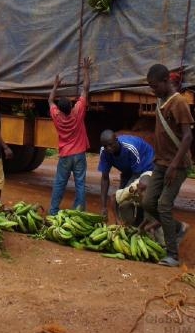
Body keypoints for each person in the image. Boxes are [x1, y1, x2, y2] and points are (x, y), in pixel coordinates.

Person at [142, 63, 194, 267]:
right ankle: (177, 227)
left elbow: (188, 137)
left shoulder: (179, 102)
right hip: (161, 163)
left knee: (164, 205)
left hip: (177, 165)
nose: (152, 90)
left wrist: (174, 165)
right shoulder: (161, 100)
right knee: (148, 202)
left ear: (166, 81)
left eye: (154, 86)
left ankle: (173, 254)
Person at [48, 57, 92, 215]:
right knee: (80, 184)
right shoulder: (78, 112)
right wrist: (86, 70)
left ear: (59, 109)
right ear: (71, 106)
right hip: (79, 154)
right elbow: (85, 88)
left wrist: (55, 85)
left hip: (65, 155)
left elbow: (50, 100)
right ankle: (78, 212)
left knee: (60, 183)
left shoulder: (56, 116)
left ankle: (53, 212)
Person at [98, 130, 154, 220]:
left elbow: (137, 175)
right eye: (105, 146)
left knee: (133, 194)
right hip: (129, 169)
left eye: (110, 144)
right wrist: (103, 207)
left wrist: (123, 193)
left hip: (146, 165)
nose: (108, 148)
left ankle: (145, 221)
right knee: (122, 198)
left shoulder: (130, 148)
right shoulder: (104, 152)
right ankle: (123, 223)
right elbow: (104, 178)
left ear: (116, 140)